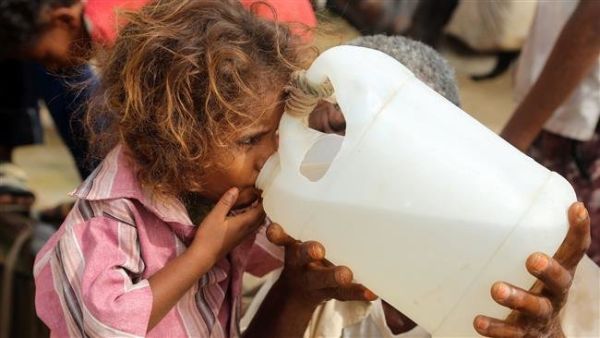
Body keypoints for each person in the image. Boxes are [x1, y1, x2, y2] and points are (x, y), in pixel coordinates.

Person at [33, 1, 361, 337]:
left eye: (274, 135)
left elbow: (271, 251)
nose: (268, 156)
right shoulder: (108, 221)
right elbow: (105, 325)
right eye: (249, 141)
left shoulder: (214, 194)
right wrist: (203, 255)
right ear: (177, 142)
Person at [244, 35, 599, 337]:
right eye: (325, 136)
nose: (337, 159)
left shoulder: (542, 276)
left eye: (360, 135)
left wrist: (545, 332)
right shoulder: (314, 269)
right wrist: (295, 294)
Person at [500, 0, 600, 265]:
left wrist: (512, 140)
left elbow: (593, 24)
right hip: (562, 119)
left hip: (576, 133)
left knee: (555, 265)